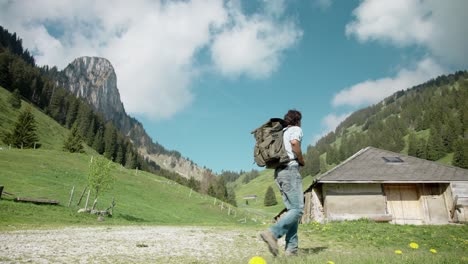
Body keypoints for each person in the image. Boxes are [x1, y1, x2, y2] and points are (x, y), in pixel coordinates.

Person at [260, 109, 305, 257]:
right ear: (298, 120)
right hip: (290, 170)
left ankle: (291, 250)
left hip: (279, 173)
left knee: (292, 210)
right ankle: (272, 233)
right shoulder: (295, 130)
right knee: (298, 209)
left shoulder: (281, 132)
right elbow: (294, 144)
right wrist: (301, 159)